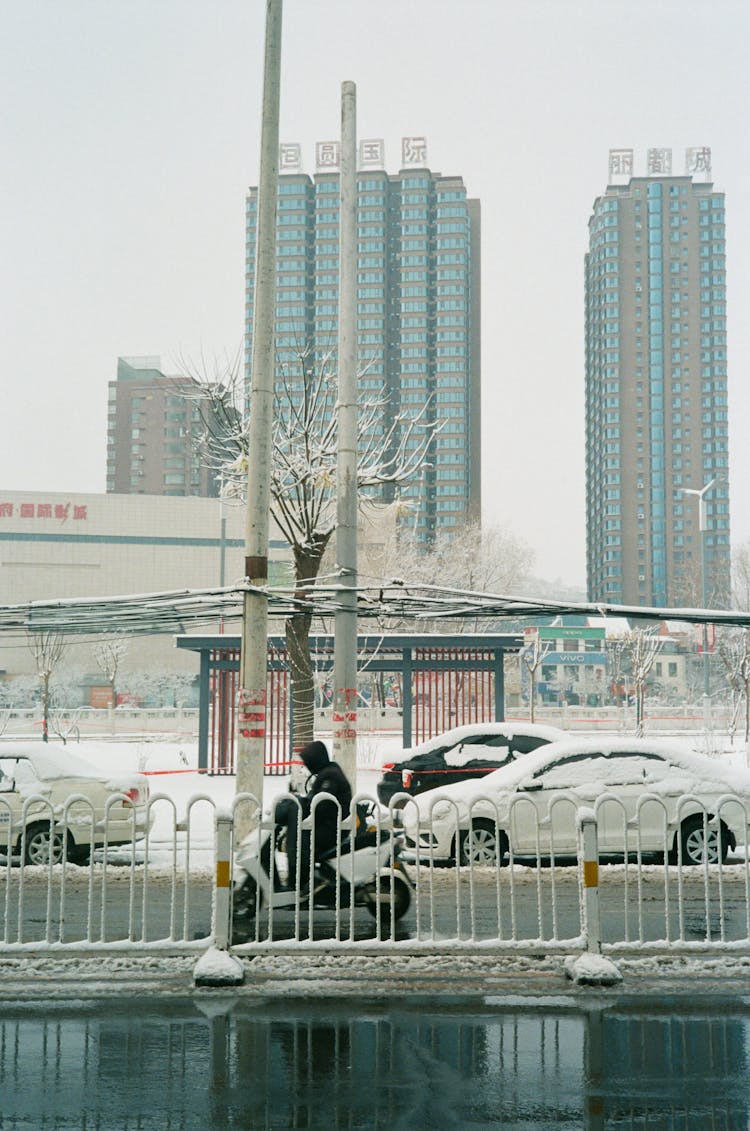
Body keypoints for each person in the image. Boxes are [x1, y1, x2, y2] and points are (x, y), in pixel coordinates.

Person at [274, 740, 352, 892]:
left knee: (298, 838)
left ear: (316, 760)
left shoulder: (330, 777)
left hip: (331, 828)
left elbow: (320, 803)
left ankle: (299, 882)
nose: (307, 766)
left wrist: (302, 803)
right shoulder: (328, 772)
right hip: (328, 824)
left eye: (308, 762)